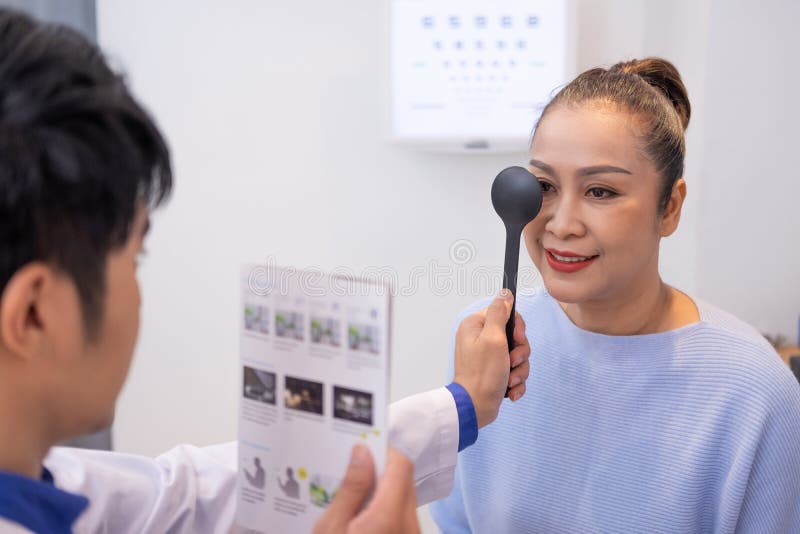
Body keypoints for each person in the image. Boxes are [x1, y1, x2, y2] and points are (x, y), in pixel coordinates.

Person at [0, 8, 532, 534]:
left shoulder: (44, 479)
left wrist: (460, 404)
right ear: (33, 314)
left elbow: (192, 496)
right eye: (134, 259)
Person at [430, 58, 800, 532]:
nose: (562, 224)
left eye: (601, 191)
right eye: (544, 186)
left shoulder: (754, 391)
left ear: (669, 208)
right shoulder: (484, 345)